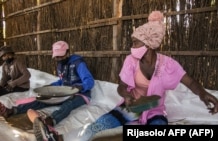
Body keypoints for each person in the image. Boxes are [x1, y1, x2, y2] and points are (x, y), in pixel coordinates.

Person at [28, 11, 218, 141]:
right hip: (131, 106)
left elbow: (189, 81)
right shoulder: (131, 61)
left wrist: (203, 95)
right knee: (98, 126)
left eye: (136, 43)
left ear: (149, 45)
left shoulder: (168, 65)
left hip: (154, 110)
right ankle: (57, 137)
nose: (132, 47)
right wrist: (126, 95)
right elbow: (121, 85)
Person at [0, 41, 95, 131]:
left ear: (68, 52)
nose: (59, 59)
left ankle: (50, 121)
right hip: (65, 92)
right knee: (41, 99)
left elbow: (90, 81)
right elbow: (62, 81)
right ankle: (12, 110)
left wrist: (80, 87)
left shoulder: (78, 63)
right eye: (57, 57)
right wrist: (49, 87)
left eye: (61, 56)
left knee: (68, 105)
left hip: (80, 94)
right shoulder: (60, 65)